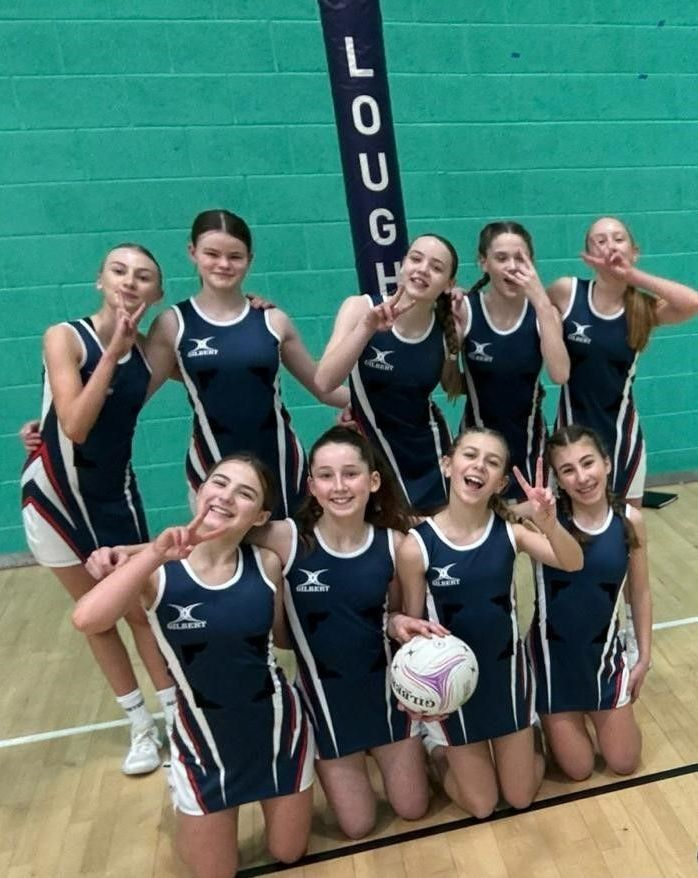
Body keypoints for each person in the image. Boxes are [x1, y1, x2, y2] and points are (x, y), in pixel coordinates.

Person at [72, 454, 315, 878]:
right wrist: (151, 552)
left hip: (278, 732)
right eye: (218, 483)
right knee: (214, 871)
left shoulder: (267, 565)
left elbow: (280, 640)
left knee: (289, 854)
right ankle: (182, 791)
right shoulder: (157, 571)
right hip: (202, 742)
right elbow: (88, 619)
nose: (226, 496)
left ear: (259, 515)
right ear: (200, 490)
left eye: (245, 493)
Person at [19, 244, 177, 775]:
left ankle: (178, 720)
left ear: (156, 293)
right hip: (54, 500)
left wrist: (251, 305)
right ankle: (139, 725)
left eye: (144, 277)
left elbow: (215, 354)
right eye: (119, 270)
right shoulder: (64, 337)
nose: (131, 282)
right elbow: (76, 426)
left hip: (115, 497)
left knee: (142, 612)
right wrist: (112, 350)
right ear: (100, 280)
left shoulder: (153, 352)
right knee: (99, 619)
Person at [250, 426, 444, 839]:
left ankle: (429, 742)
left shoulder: (395, 543)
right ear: (312, 486)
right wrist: (132, 552)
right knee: (357, 826)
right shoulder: (286, 539)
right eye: (326, 475)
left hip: (388, 698)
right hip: (327, 707)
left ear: (373, 482)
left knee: (412, 809)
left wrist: (395, 622)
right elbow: (205, 539)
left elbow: (401, 620)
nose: (339, 486)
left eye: (351, 474)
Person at [392, 427, 583, 818]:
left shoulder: (512, 533)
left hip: (507, 680)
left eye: (492, 462)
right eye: (470, 455)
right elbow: (412, 627)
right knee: (480, 806)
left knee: (520, 797)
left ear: (499, 483)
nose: (479, 465)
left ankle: (532, 737)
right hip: (453, 691)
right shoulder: (417, 546)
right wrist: (415, 688)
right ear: (448, 465)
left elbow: (572, 561)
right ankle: (436, 751)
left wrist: (548, 522)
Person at [144, 209, 349, 518]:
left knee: (291, 557)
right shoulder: (172, 324)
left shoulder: (272, 320)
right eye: (212, 254)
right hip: (213, 465)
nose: (224, 264)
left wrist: (382, 400)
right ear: (192, 252)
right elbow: (133, 396)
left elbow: (323, 387)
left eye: (235, 256)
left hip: (281, 464)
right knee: (226, 561)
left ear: (249, 260)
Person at [528, 425, 651, 780]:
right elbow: (497, 515)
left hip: (604, 660)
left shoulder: (631, 521)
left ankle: (592, 716)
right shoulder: (545, 524)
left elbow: (640, 592)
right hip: (554, 663)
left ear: (607, 464)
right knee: (578, 769)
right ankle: (535, 723)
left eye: (588, 463)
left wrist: (643, 658)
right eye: (568, 470)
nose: (582, 477)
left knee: (624, 762)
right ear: (558, 480)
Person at [549, 215, 698, 503]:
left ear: (634, 251)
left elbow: (692, 303)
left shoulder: (642, 307)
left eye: (619, 239)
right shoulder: (566, 292)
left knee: (628, 530)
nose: (610, 246)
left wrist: (630, 275)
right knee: (568, 528)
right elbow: (525, 312)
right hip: (570, 432)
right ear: (589, 255)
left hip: (622, 435)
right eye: (600, 241)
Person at [314, 235, 463, 513]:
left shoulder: (448, 327)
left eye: (436, 267)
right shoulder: (361, 307)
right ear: (403, 265)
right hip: (374, 453)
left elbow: (450, 386)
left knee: (435, 548)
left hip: (428, 451)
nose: (422, 269)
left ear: (449, 284)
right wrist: (367, 329)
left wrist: (459, 341)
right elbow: (324, 382)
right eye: (416, 259)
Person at [456, 221, 569, 500]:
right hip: (476, 447)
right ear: (484, 263)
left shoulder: (543, 313)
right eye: (501, 258)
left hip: (529, 447)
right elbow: (445, 381)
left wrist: (542, 301)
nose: (512, 266)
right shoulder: (466, 310)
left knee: (534, 532)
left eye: (521, 258)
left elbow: (560, 374)